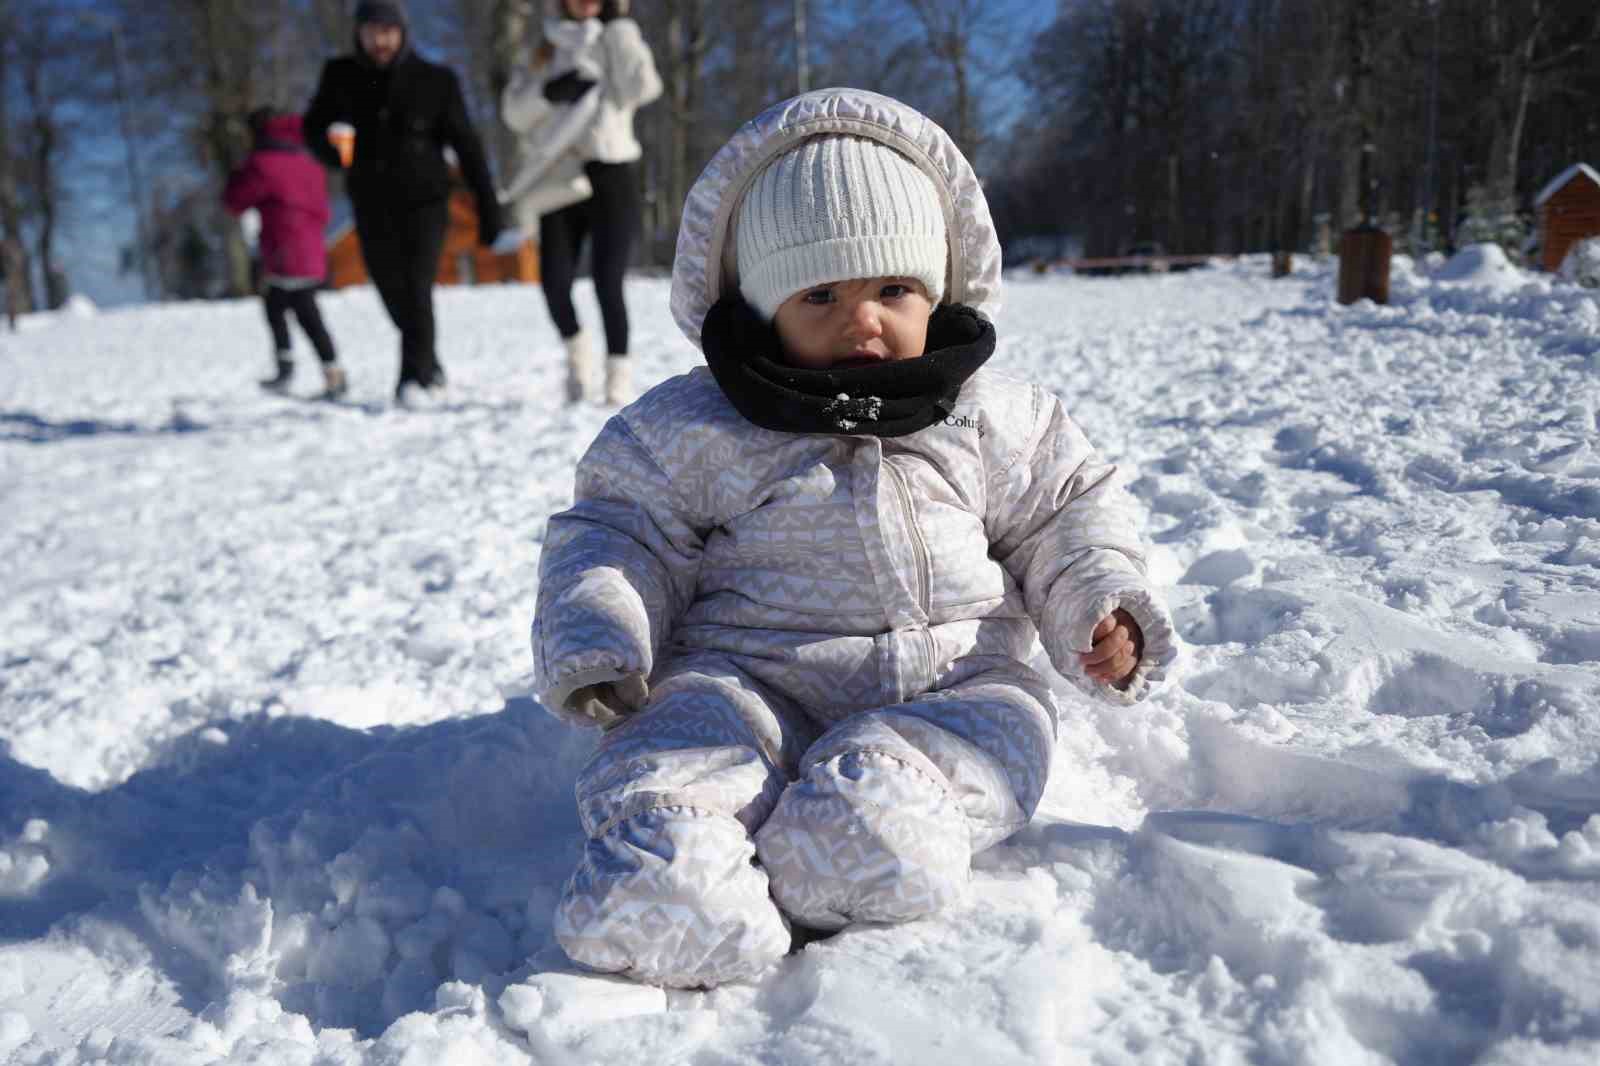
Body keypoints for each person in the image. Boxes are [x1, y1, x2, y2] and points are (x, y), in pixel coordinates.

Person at [528, 88, 1180, 989]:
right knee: (675, 745)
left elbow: (1065, 513)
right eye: (822, 294)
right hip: (749, 681)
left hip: (955, 689)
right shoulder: (698, 426)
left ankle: (864, 836)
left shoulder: (992, 417)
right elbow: (618, 529)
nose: (862, 319)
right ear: (764, 307)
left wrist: (1100, 603)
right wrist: (601, 628)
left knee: (974, 755)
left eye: (893, 290)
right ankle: (667, 867)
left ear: (936, 290)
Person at [303, 0, 502, 407]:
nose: (381, 40)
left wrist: (487, 205)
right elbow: (313, 128)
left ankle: (413, 379)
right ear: (359, 34)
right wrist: (329, 146)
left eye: (388, 31)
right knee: (391, 289)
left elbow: (468, 146)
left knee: (416, 285)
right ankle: (429, 361)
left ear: (402, 33)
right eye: (372, 31)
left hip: (426, 201)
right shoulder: (340, 76)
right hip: (370, 203)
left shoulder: (436, 80)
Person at [500, 0, 661, 406]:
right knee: (554, 283)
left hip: (612, 170)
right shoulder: (543, 46)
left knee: (608, 281)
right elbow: (514, 114)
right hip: (559, 176)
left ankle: (617, 376)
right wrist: (547, 94)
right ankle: (577, 355)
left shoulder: (615, 36)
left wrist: (620, 29)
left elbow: (642, 88)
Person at [223, 107, 347, 398]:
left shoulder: (262, 163)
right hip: (311, 247)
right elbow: (323, 209)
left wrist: (237, 172)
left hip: (284, 249)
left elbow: (234, 201)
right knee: (278, 305)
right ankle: (297, 370)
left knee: (303, 311)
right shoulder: (308, 160)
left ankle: (330, 374)